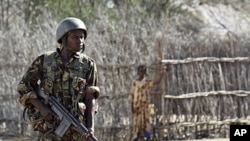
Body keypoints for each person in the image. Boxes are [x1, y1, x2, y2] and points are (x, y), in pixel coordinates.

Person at [17, 17, 100, 141]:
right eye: (75, 37)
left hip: (76, 127)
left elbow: (90, 97)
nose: (80, 41)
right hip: (49, 127)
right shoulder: (45, 60)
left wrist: (90, 127)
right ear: (64, 39)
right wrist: (42, 108)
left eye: (82, 37)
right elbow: (24, 86)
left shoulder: (88, 64)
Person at [128, 65, 166, 141]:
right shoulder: (135, 83)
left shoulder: (146, 82)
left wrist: (162, 75)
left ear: (145, 72)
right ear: (138, 72)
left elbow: (156, 82)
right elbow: (131, 95)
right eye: (140, 71)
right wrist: (132, 106)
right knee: (137, 124)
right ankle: (136, 137)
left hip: (145, 107)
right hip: (137, 107)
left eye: (143, 71)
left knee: (146, 123)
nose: (141, 73)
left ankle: (147, 137)